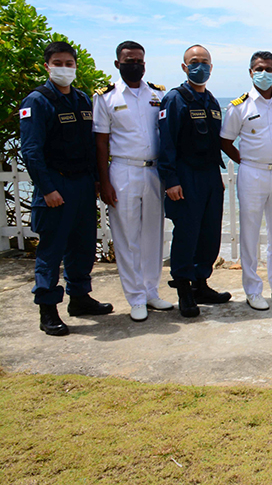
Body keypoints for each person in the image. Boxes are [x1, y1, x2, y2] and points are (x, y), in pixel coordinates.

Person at [19, 41, 113, 336]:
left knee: (82, 245)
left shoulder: (83, 99)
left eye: (69, 64)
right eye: (58, 63)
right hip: (56, 184)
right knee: (52, 249)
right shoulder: (37, 101)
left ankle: (80, 297)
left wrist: (98, 179)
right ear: (47, 67)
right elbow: (31, 151)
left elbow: (91, 145)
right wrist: (47, 189)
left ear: (75, 67)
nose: (64, 68)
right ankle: (47, 309)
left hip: (83, 183)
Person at [94, 40, 173, 322]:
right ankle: (135, 297)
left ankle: (151, 292)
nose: (135, 65)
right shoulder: (106, 97)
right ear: (118, 64)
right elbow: (101, 143)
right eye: (129, 61)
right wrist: (104, 182)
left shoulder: (157, 94)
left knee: (153, 235)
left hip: (153, 172)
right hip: (123, 171)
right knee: (127, 237)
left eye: (139, 60)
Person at [221, 51, 272, 312]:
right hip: (251, 172)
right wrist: (245, 161)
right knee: (250, 233)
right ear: (250, 72)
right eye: (258, 69)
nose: (263, 73)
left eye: (268, 69)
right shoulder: (239, 106)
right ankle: (253, 290)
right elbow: (225, 141)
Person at [158, 44, 230, 317]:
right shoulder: (175, 99)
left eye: (205, 62)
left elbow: (215, 142)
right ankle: (184, 289)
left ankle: (201, 283)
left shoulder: (211, 100)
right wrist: (171, 180)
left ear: (212, 66)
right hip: (185, 177)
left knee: (210, 233)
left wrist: (217, 175)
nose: (200, 66)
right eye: (194, 62)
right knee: (187, 234)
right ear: (184, 66)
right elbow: (166, 143)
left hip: (210, 175)